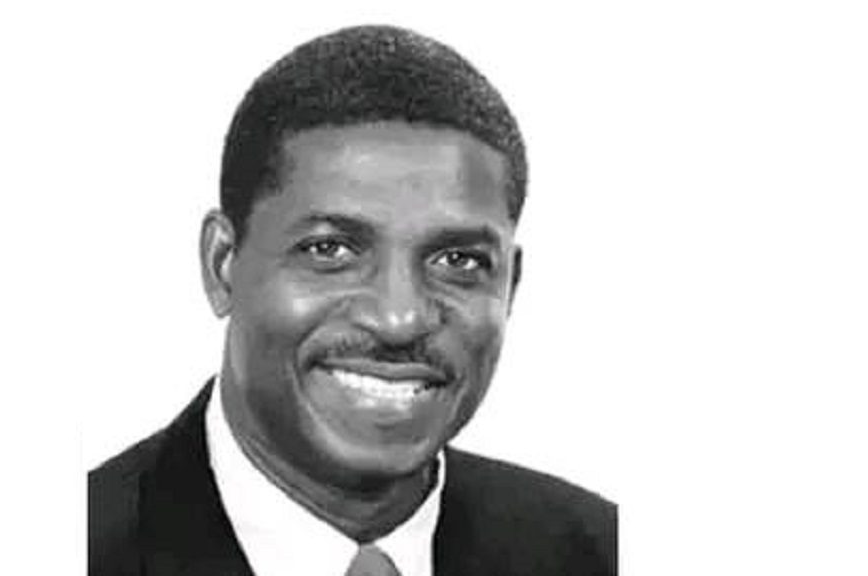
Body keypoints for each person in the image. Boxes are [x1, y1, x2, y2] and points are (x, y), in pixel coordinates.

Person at [89, 24, 616, 576]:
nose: (399, 319)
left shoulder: (604, 552)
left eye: (458, 261)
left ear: (510, 287)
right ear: (222, 264)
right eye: (330, 250)